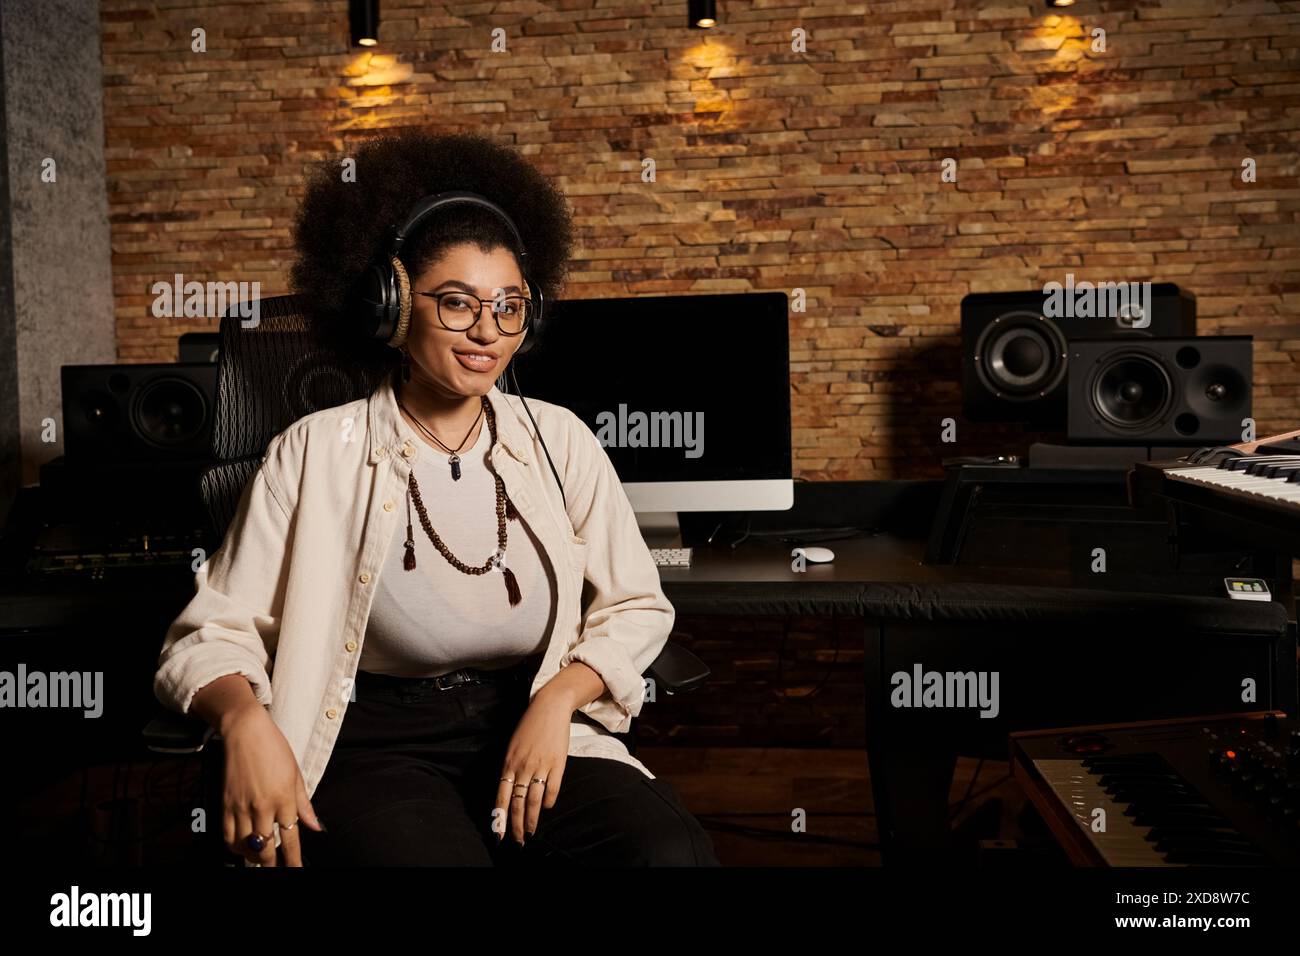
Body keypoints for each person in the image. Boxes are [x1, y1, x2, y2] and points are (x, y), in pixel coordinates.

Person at [154, 128, 719, 867]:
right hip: (372, 741)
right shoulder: (315, 451)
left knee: (667, 851)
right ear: (390, 308)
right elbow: (212, 631)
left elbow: (635, 603)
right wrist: (245, 724)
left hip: (527, 715)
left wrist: (558, 702)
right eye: (457, 302)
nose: (487, 330)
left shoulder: (559, 439)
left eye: (510, 307)